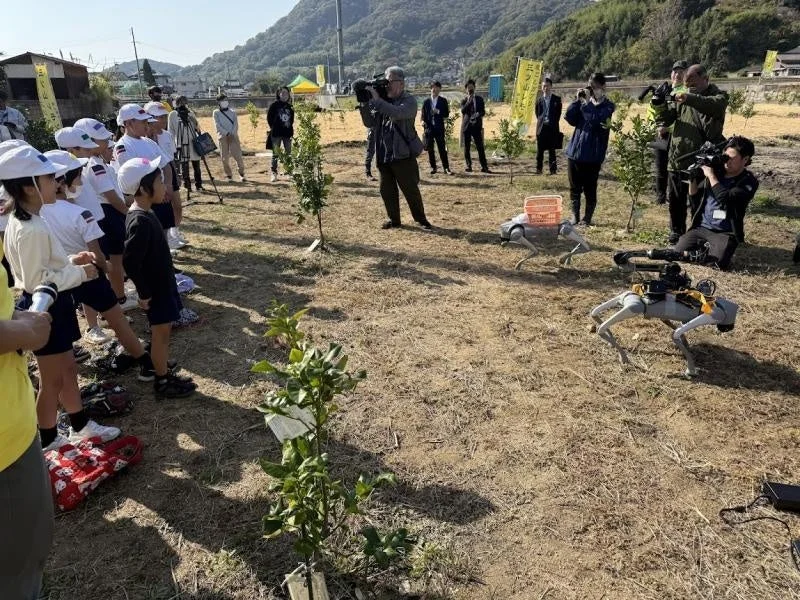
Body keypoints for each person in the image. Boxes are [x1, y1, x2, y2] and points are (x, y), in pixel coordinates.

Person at [0, 145, 120, 451]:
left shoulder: (34, 220)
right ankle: (49, 438)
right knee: (51, 379)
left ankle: (80, 425)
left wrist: (72, 261)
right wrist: (82, 274)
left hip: (56, 306)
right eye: (49, 178)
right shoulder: (30, 229)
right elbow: (38, 280)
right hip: (44, 309)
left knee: (67, 370)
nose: (57, 183)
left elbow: (47, 265)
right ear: (28, 187)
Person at [119, 157, 197, 399]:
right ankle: (162, 381)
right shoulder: (140, 221)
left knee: (163, 333)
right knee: (161, 333)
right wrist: (144, 293)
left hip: (163, 284)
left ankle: (160, 366)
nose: (164, 186)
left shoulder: (146, 212)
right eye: (159, 181)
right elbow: (130, 261)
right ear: (143, 189)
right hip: (155, 289)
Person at [652, 64, 728, 244]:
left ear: (706, 79)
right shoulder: (682, 99)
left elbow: (712, 106)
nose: (688, 88)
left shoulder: (719, 97)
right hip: (678, 156)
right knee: (676, 200)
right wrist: (661, 104)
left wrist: (688, 97)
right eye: (687, 85)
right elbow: (666, 118)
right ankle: (676, 232)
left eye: (692, 84)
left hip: (702, 161)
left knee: (699, 201)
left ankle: (698, 233)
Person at [359, 66, 432, 230]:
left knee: (410, 190)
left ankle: (421, 219)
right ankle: (394, 219)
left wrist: (377, 100)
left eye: (389, 81)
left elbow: (397, 113)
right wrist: (364, 103)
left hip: (402, 155)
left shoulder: (409, 101)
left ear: (401, 83)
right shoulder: (383, 101)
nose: (386, 85)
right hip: (384, 154)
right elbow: (369, 123)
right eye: (385, 81)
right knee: (387, 190)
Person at [671, 136, 758, 270]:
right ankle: (699, 252)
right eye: (725, 157)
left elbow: (725, 199)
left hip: (725, 232)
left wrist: (711, 175)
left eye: (732, 158)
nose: (727, 161)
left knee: (716, 264)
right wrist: (692, 178)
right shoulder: (718, 171)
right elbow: (694, 196)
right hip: (702, 227)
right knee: (676, 253)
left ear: (745, 159)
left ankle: (700, 253)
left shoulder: (748, 182)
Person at [564, 72, 616, 226]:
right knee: (574, 187)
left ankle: (587, 218)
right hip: (574, 152)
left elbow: (595, 121)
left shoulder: (608, 107)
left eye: (595, 86)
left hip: (592, 155)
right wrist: (577, 100)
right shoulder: (584, 103)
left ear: (603, 87)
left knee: (589, 188)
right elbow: (570, 118)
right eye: (590, 86)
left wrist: (587, 104)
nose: (592, 90)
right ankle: (575, 215)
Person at [144, 101, 184, 250]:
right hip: (155, 176)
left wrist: (176, 174)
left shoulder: (166, 135)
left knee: (177, 205)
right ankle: (166, 240)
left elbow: (170, 158)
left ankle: (175, 232)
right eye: (160, 117)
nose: (163, 120)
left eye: (164, 117)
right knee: (162, 209)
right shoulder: (146, 138)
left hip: (168, 173)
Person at [648, 60, 687, 205]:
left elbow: (681, 115)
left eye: (681, 72)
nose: (677, 75)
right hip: (659, 134)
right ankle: (660, 197)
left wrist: (667, 127)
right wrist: (657, 125)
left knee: (674, 167)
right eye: (675, 72)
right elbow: (653, 110)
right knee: (659, 166)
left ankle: (673, 196)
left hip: (676, 134)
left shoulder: (685, 92)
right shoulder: (664, 89)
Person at [167, 96, 204, 192]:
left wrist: (193, 120)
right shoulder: (173, 114)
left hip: (193, 142)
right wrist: (173, 145)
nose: (183, 104)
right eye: (181, 102)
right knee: (184, 166)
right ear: (177, 103)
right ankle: (187, 186)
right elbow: (171, 131)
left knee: (196, 166)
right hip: (181, 143)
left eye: (185, 102)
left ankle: (198, 185)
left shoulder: (190, 113)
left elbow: (198, 128)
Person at [213, 94, 246, 182]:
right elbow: (217, 125)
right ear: (218, 102)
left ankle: (241, 174)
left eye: (226, 100)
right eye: (222, 100)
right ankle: (229, 175)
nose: (225, 102)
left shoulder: (233, 112)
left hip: (233, 137)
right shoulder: (216, 112)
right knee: (224, 158)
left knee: (238, 156)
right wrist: (226, 133)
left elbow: (236, 124)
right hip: (223, 137)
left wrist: (232, 133)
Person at [421, 81, 451, 175]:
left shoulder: (443, 101)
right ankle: (433, 167)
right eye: (433, 88)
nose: (435, 90)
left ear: (440, 90)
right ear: (431, 89)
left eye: (437, 89)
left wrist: (438, 111)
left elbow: (446, 114)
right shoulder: (426, 102)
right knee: (430, 149)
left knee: (442, 148)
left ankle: (446, 168)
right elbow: (423, 116)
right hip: (429, 128)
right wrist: (422, 122)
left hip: (439, 128)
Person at [535, 78, 563, 175]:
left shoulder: (557, 99)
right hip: (541, 128)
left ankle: (553, 170)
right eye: (543, 86)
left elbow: (558, 115)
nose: (545, 88)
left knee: (552, 150)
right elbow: (537, 114)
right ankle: (539, 169)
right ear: (541, 87)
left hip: (552, 128)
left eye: (547, 85)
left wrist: (552, 122)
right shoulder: (539, 100)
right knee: (540, 150)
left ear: (551, 86)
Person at [460, 79, 489, 173]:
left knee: (480, 146)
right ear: (466, 90)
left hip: (476, 126)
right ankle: (469, 166)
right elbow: (463, 111)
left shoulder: (480, 99)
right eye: (468, 88)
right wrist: (469, 101)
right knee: (467, 147)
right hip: (467, 126)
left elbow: (483, 111)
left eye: (472, 88)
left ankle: (484, 166)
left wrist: (478, 114)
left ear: (474, 88)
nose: (470, 90)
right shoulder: (464, 100)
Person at [267, 87, 295, 183]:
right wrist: (274, 127)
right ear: (279, 94)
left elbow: (292, 120)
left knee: (288, 153)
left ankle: (289, 172)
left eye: (286, 93)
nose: (284, 95)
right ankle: (274, 173)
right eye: (282, 93)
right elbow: (269, 118)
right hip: (276, 133)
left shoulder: (290, 106)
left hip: (287, 133)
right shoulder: (274, 105)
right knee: (276, 154)